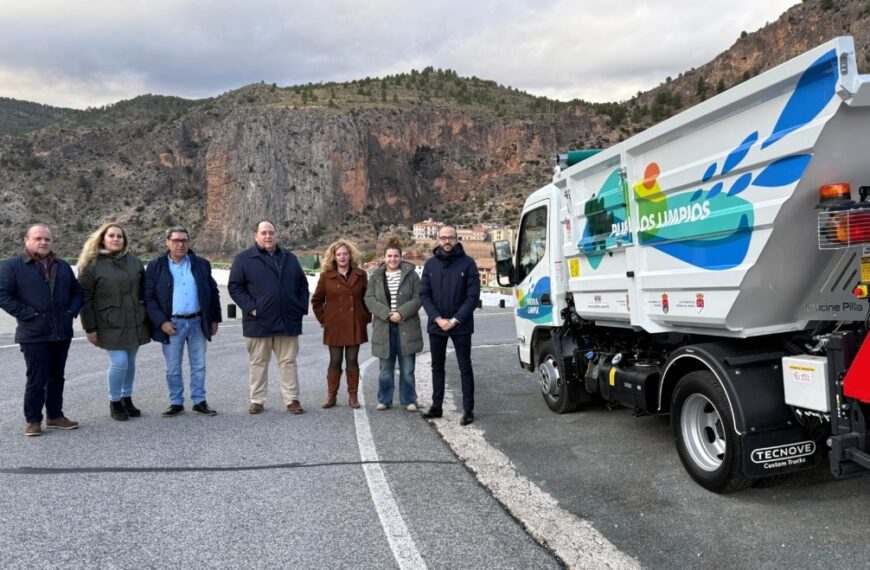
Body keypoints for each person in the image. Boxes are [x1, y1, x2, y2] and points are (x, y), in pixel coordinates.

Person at [0, 224, 82, 436]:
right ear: (26, 240)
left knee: (57, 376)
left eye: (47, 239)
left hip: (60, 332)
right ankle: (33, 420)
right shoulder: (12, 266)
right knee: (37, 379)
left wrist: (70, 312)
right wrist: (27, 314)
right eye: (38, 238)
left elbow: (77, 292)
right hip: (33, 334)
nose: (43, 242)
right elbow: (3, 295)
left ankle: (55, 416)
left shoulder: (62, 266)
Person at [229, 220, 310, 415]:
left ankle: (292, 400)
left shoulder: (289, 258)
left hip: (287, 321)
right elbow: (235, 287)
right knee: (258, 363)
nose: (268, 236)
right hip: (259, 322)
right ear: (256, 235)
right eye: (263, 233)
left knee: (288, 362)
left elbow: (302, 285)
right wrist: (252, 308)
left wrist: (299, 308)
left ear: (276, 235)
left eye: (271, 232)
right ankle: (257, 399)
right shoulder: (244, 259)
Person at [144, 227, 222, 417]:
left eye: (184, 240)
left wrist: (214, 318)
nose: (180, 244)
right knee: (173, 367)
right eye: (176, 240)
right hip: (172, 325)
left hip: (197, 322)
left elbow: (212, 292)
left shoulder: (201, 264)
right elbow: (149, 298)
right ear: (167, 242)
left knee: (199, 365)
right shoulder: (156, 266)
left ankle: (199, 401)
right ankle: (176, 402)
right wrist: (162, 322)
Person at [78, 223, 151, 421]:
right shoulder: (92, 265)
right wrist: (90, 327)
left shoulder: (133, 261)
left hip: (135, 321)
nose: (116, 239)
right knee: (119, 362)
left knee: (131, 362)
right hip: (109, 323)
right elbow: (85, 299)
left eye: (120, 236)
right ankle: (115, 401)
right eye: (111, 235)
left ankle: (127, 398)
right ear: (103, 239)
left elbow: (144, 290)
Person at [419, 225, 481, 426]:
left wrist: (454, 320)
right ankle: (436, 407)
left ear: (457, 239)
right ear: (438, 239)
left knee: (465, 367)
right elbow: (424, 295)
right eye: (443, 237)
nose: (447, 241)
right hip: (437, 325)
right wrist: (438, 319)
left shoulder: (468, 264)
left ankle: (469, 410)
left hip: (460, 325)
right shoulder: (430, 265)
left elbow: (472, 297)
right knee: (437, 366)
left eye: (450, 238)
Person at [364, 236, 423, 412]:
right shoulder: (375, 276)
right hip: (384, 327)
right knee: (385, 369)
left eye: (395, 256)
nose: (392, 259)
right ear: (384, 257)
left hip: (407, 327)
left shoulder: (412, 275)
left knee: (407, 368)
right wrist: (387, 314)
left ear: (401, 256)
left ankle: (409, 400)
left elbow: (419, 297)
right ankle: (384, 399)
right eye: (389, 256)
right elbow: (369, 298)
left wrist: (401, 313)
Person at [311, 239, 370, 409]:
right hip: (334, 325)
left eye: (345, 253)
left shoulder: (361, 274)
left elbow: (368, 299)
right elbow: (316, 301)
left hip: (354, 324)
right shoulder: (326, 276)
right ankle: (331, 396)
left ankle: (353, 397)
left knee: (352, 360)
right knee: (335, 360)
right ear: (333, 257)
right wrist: (325, 320)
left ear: (350, 255)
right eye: (339, 254)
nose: (342, 257)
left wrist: (364, 317)